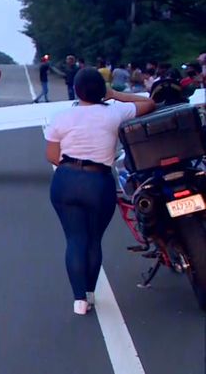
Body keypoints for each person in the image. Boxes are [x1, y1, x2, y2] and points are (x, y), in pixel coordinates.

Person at [45, 68, 155, 315]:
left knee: (75, 239)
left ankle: (78, 300)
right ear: (102, 91)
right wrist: (115, 94)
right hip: (98, 182)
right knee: (94, 239)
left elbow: (52, 155)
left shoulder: (61, 117)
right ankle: (91, 293)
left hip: (66, 180)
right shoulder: (115, 112)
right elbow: (149, 103)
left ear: (76, 90)